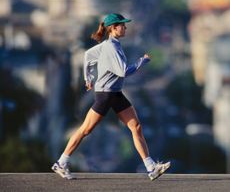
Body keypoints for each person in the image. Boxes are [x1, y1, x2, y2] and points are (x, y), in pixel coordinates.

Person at [51, 13, 170, 180]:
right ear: (113, 28)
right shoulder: (111, 48)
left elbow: (88, 55)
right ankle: (61, 163)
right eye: (122, 25)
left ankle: (151, 167)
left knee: (135, 127)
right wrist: (141, 62)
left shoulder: (110, 44)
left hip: (115, 93)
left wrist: (88, 78)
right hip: (106, 95)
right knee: (85, 129)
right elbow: (123, 72)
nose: (125, 28)